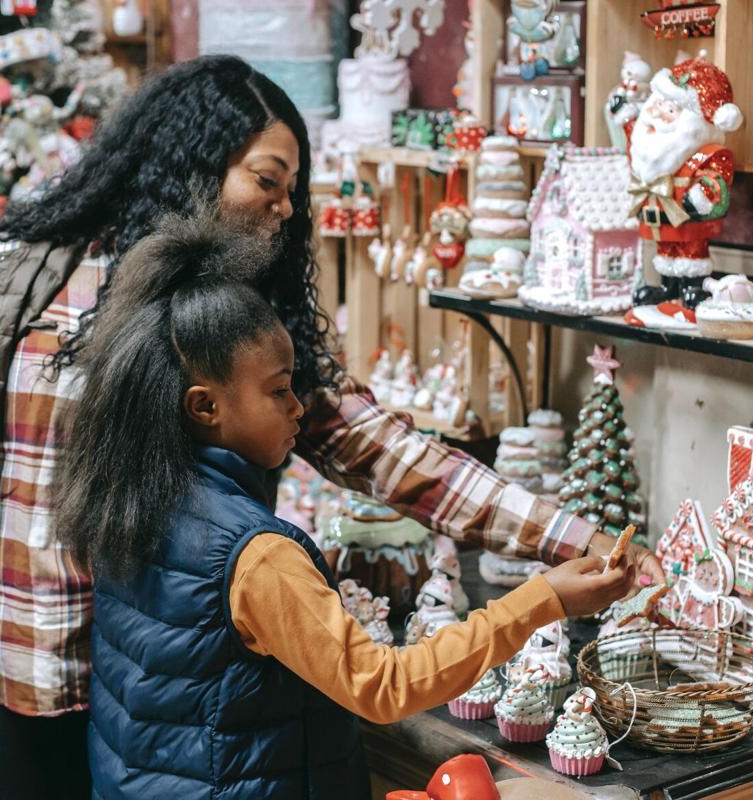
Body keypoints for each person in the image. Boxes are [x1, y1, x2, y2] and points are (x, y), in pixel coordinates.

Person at [0, 56, 663, 799]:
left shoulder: (235, 325)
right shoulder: (20, 277)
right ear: (193, 162)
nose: (284, 210)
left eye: (292, 192)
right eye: (266, 182)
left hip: (149, 697)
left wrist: (573, 539)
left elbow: (395, 454)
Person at [59, 217, 636, 799]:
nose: (298, 411)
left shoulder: (127, 495)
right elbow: (382, 686)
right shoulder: (254, 557)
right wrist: (545, 600)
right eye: (279, 390)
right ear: (205, 406)